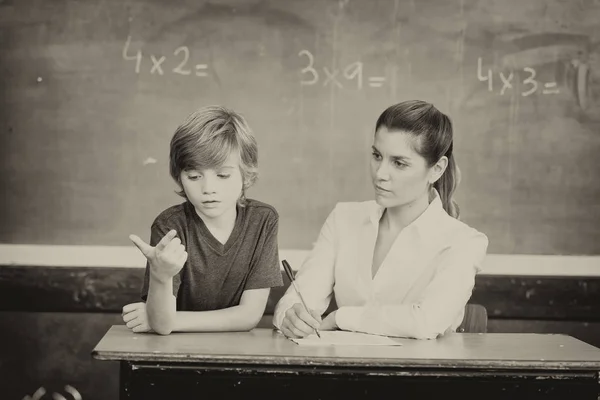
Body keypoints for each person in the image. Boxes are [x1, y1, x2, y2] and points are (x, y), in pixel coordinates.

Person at [273, 100, 489, 340]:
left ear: (437, 169)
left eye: (399, 163)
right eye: (377, 156)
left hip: (420, 374)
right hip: (344, 371)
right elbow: (296, 300)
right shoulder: (344, 219)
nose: (380, 174)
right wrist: (291, 317)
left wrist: (340, 318)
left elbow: (426, 322)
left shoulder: (465, 242)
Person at [122, 105, 283, 335]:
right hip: (173, 354)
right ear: (179, 177)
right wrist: (161, 275)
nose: (208, 189)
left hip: (237, 352)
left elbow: (249, 316)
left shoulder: (263, 220)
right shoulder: (170, 226)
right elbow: (161, 326)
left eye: (223, 175)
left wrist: (170, 320)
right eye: (194, 176)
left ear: (245, 175)